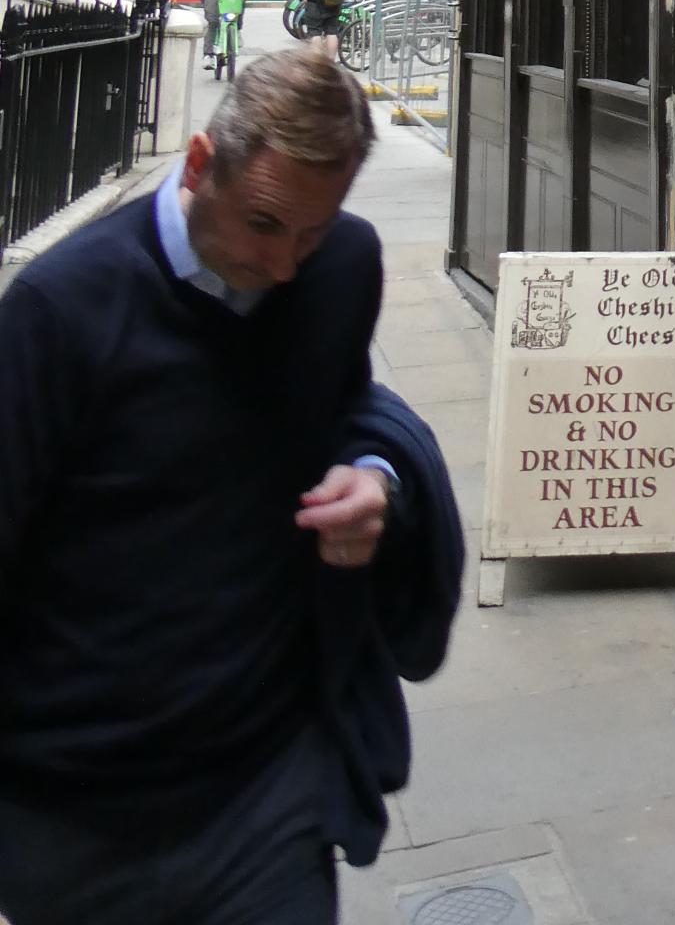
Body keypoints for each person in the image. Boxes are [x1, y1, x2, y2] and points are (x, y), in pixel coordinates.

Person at [0, 46, 461, 925]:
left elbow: (347, 406)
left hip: (267, 789)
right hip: (79, 813)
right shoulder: (61, 310)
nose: (285, 265)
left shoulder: (341, 268)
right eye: (263, 223)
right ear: (199, 164)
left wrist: (375, 476)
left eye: (311, 233)